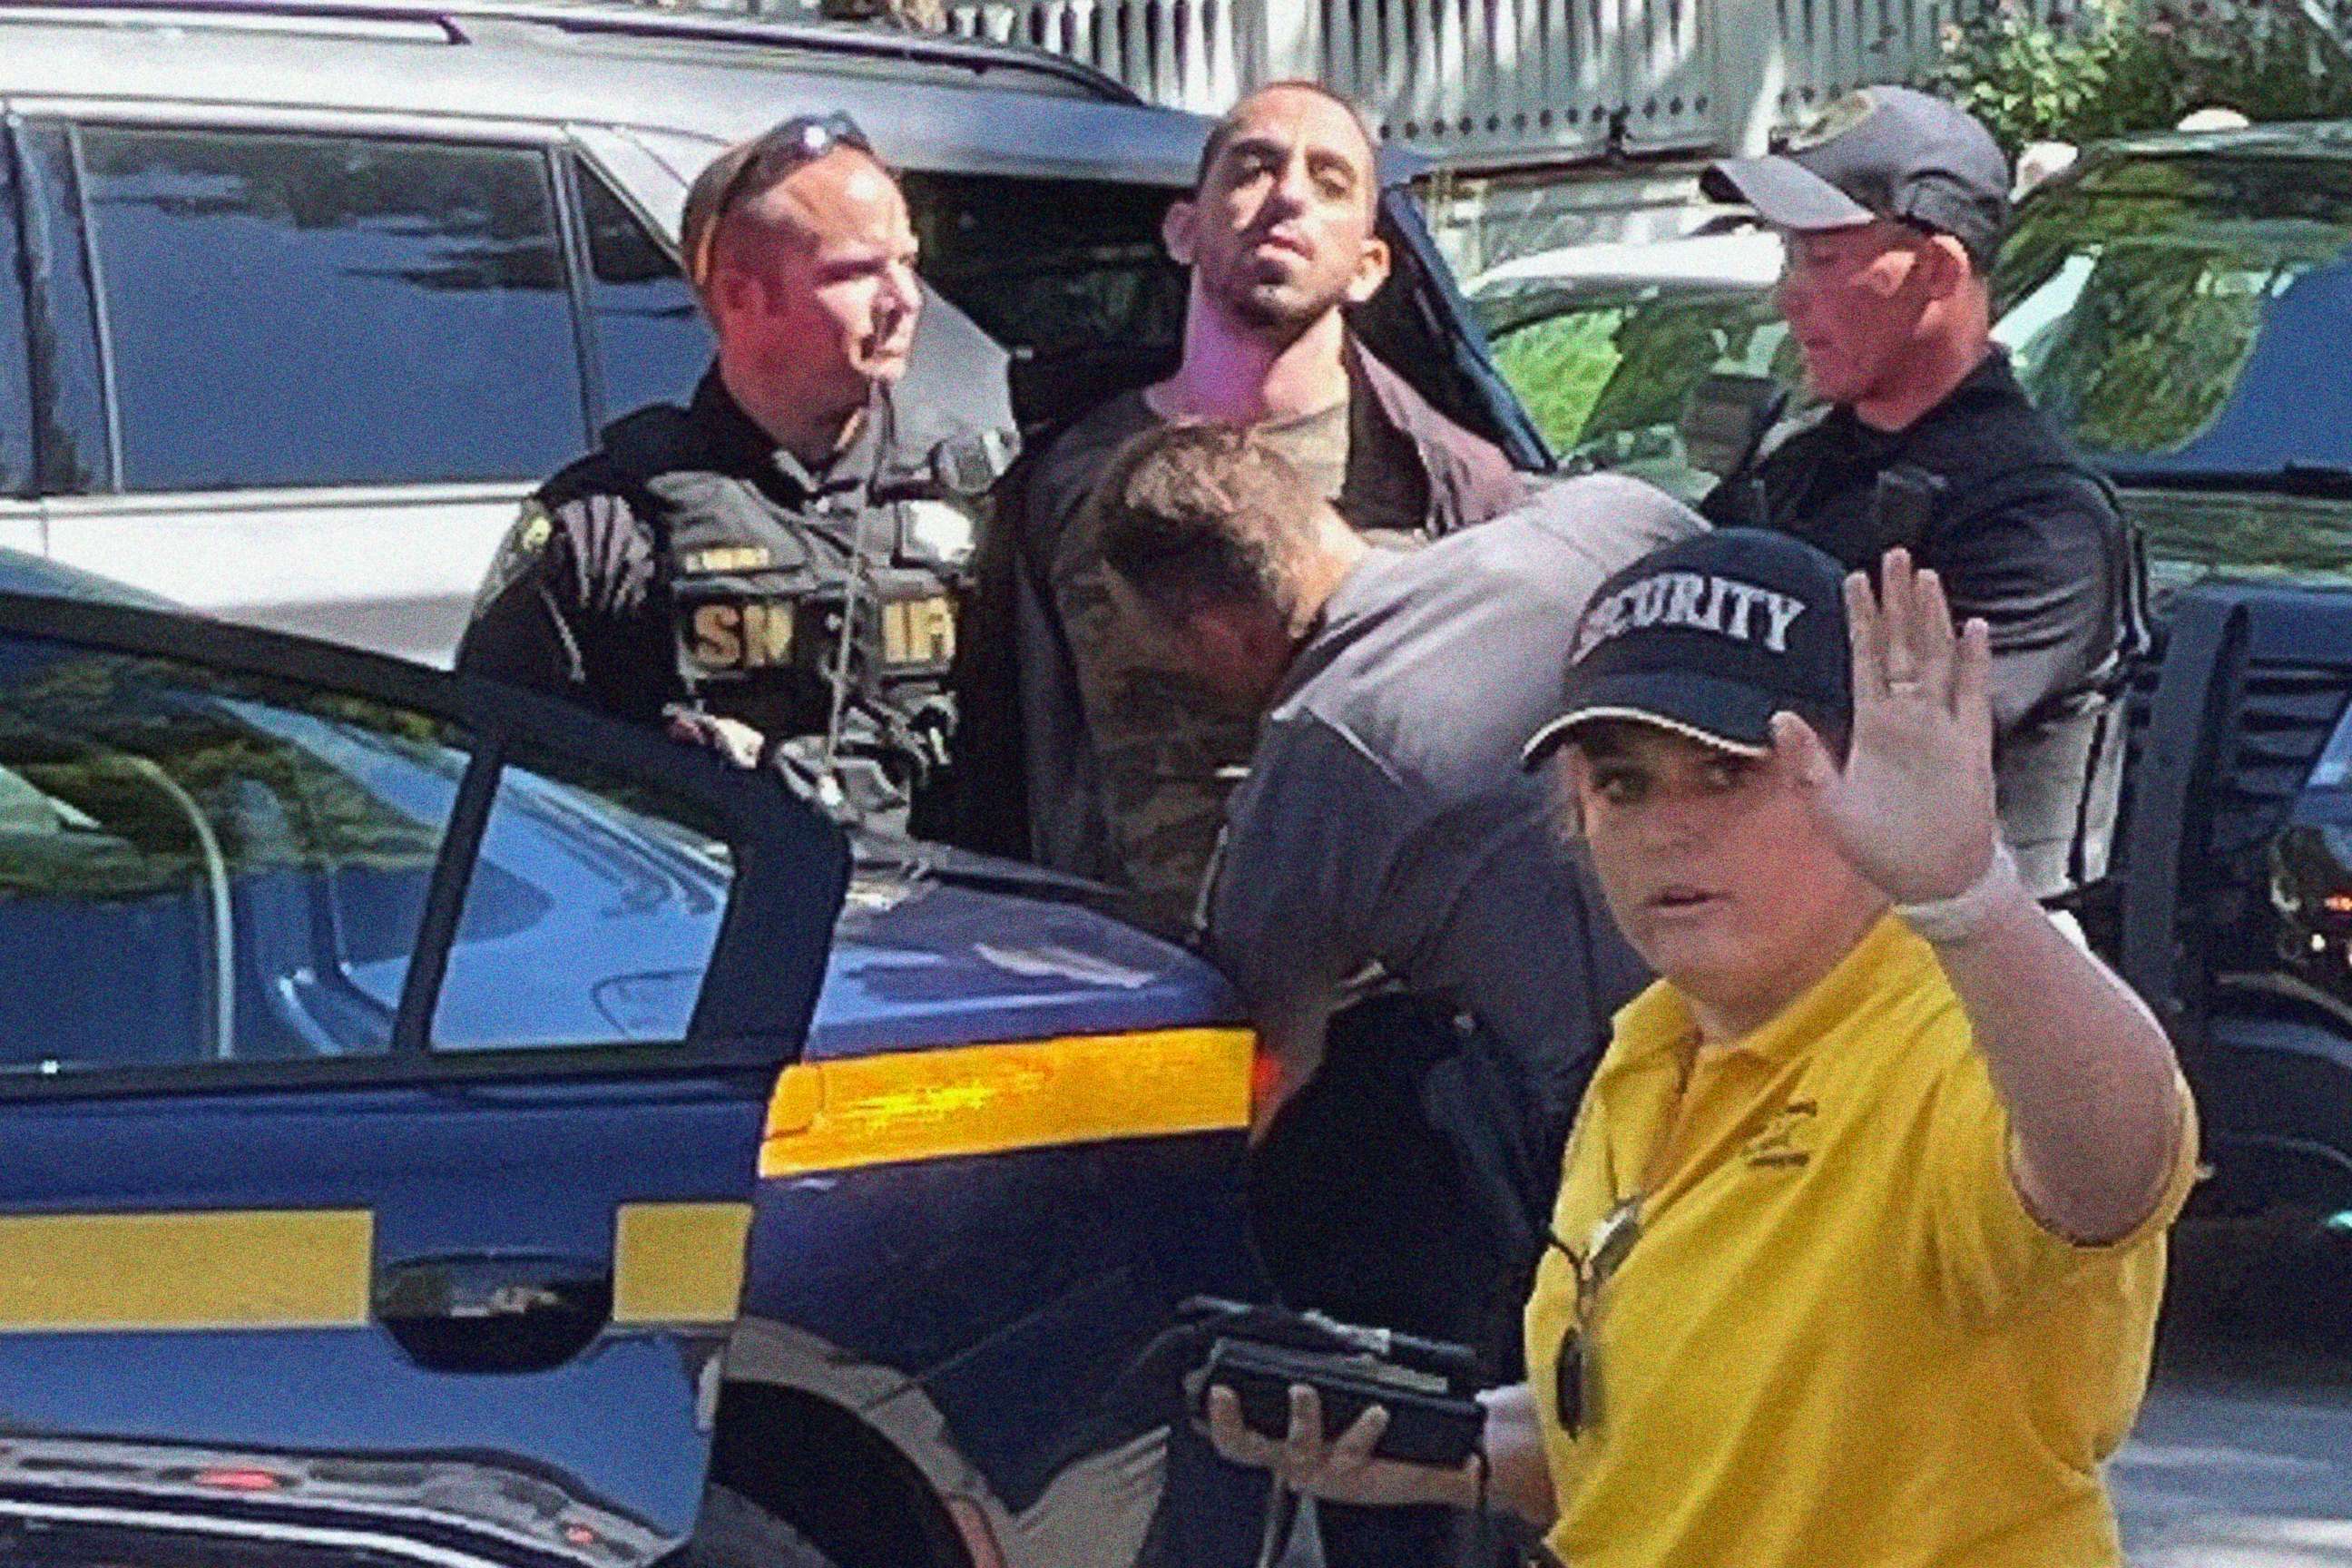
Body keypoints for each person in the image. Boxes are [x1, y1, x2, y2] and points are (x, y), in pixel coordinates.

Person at [1203, 529, 2199, 1567]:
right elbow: (1657, 1432)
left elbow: (2120, 1164)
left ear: (1865, 780)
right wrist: (1427, 1446)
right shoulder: (1653, 1044)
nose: (1667, 827)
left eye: (1726, 773)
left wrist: (1971, 897)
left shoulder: (1952, 1035)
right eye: (1623, 784)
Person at [1094, 424, 1696, 1566]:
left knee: (1626, 1451)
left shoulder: (1318, 753)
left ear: (1221, 630)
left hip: (1628, 1126)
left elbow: (1266, 1072)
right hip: (1827, 1008)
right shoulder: (1600, 520)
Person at [988, 81, 1523, 931]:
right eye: (1254, 167)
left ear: (1370, 266)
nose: (1289, 196)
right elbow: (1011, 763)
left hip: (1383, 1011)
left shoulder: (1454, 484)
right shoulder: (1066, 482)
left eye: (1331, 181)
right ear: (1183, 229)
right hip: (1136, 998)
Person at [457, 113, 1015, 826]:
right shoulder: (608, 525)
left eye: (907, 262)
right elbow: (515, 797)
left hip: (944, 921)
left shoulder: (980, 494)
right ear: (739, 296)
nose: (904, 300)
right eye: (856, 271)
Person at [1699, 84, 2145, 902]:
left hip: (1960, 975)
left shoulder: (2038, 520)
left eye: (1826, 259)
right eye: (1791, 256)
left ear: (1937, 270)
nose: (1789, 296)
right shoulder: (1797, 464)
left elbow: (1878, 764)